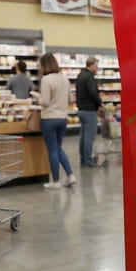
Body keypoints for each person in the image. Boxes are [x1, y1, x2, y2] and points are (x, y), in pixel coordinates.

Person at [36, 53, 76, 190]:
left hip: (49, 119)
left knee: (52, 150)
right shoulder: (65, 79)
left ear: (44, 65)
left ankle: (56, 181)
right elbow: (71, 100)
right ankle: (70, 175)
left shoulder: (46, 79)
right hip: (62, 118)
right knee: (58, 149)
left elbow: (45, 102)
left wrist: (37, 98)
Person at [75, 57, 101, 167]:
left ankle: (83, 159)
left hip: (81, 109)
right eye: (96, 66)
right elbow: (92, 93)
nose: (97, 68)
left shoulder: (80, 75)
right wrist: (100, 103)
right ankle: (88, 160)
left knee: (83, 136)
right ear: (90, 65)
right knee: (89, 136)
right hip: (90, 110)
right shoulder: (89, 77)